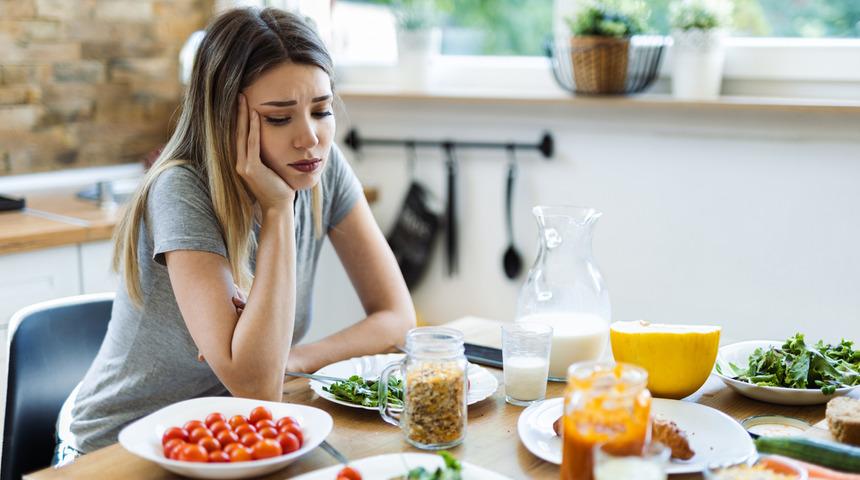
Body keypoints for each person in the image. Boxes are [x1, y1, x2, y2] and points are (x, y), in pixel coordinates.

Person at [52, 7, 415, 465]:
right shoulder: (182, 189)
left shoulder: (324, 167)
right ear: (226, 118)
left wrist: (297, 358)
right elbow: (255, 385)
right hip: (116, 451)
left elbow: (397, 316)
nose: (310, 138)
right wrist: (279, 211)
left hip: (229, 441)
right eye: (279, 118)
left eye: (321, 110)